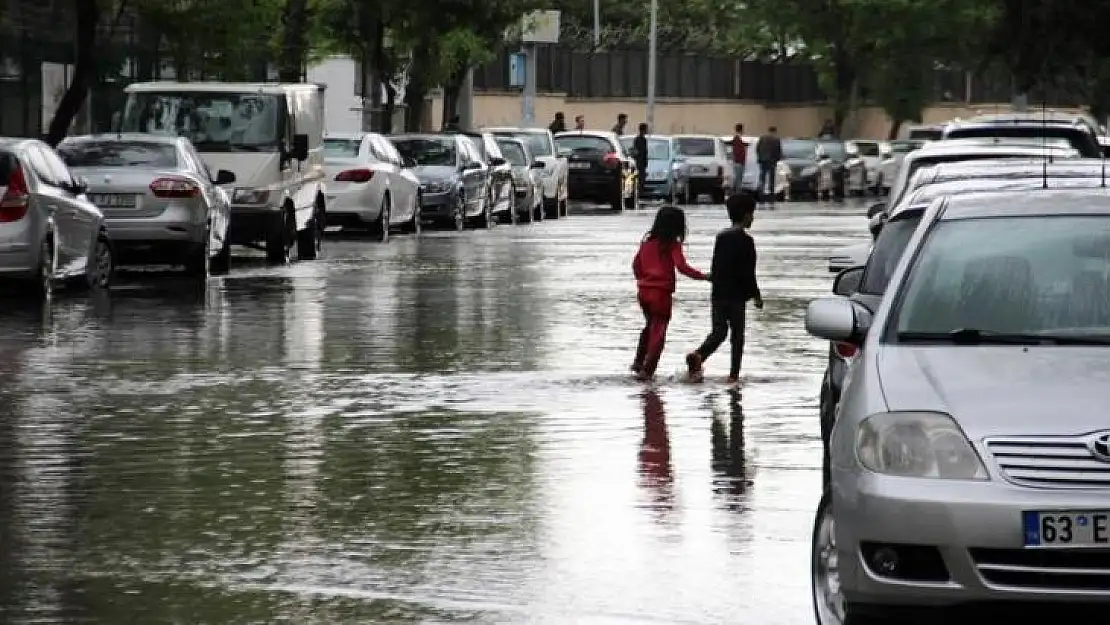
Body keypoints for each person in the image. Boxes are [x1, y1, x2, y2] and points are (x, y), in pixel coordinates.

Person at [685, 193, 763, 386]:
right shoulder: (747, 241)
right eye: (752, 214)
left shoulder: (721, 237)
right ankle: (733, 375)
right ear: (745, 215)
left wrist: (715, 282)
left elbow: (716, 266)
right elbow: (748, 273)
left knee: (719, 332)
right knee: (737, 336)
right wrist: (756, 296)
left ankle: (698, 355)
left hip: (718, 294)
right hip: (737, 297)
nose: (753, 218)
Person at [631, 206, 709, 380]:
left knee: (649, 326)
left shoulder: (646, 245)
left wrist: (643, 280)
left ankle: (638, 362)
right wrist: (703, 276)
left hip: (643, 292)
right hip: (661, 293)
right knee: (659, 330)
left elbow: (635, 266)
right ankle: (647, 371)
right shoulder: (672, 246)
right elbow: (681, 267)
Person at [755, 126, 782, 204]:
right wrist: (777, 159)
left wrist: (760, 157)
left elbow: (758, 148)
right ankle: (771, 197)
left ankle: (761, 196)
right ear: (774, 131)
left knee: (762, 179)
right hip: (772, 161)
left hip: (763, 161)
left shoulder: (762, 138)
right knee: (771, 180)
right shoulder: (776, 139)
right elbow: (778, 150)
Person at [731, 123, 748, 195]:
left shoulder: (738, 138)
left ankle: (735, 193)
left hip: (738, 162)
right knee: (738, 179)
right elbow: (738, 152)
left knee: (737, 178)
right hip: (739, 162)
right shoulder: (737, 139)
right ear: (741, 130)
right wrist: (742, 160)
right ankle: (737, 194)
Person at [633, 122, 650, 194]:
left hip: (642, 162)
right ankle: (638, 193)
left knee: (642, 180)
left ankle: (640, 193)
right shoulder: (638, 139)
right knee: (640, 179)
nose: (647, 131)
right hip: (639, 163)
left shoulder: (643, 139)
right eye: (646, 129)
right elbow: (639, 152)